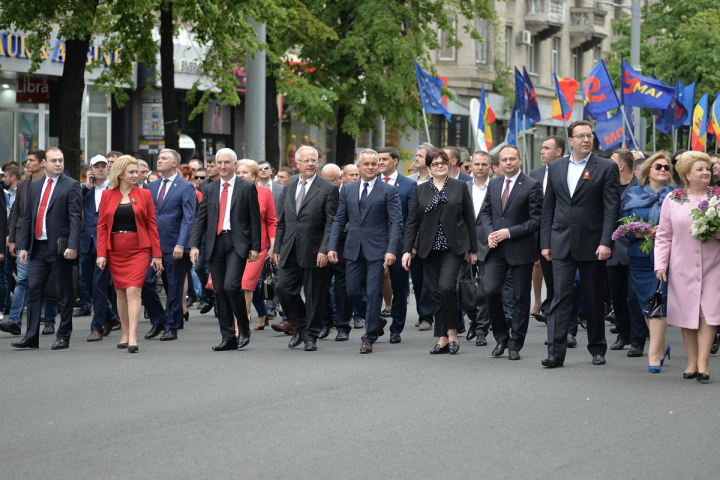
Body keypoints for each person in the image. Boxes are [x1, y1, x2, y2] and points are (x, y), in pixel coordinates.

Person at [540, 120, 621, 368]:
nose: (586, 139)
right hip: (561, 242)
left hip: (593, 244)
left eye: (590, 135)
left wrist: (606, 241)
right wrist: (546, 242)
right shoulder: (555, 167)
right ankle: (556, 352)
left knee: (594, 298)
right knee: (559, 298)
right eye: (581, 136)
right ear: (571, 140)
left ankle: (597, 347)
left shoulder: (606, 167)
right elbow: (548, 208)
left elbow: (611, 209)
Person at [402, 149, 477, 355]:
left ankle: (453, 332)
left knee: (446, 288)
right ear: (429, 168)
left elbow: (470, 219)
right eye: (435, 164)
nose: (440, 166)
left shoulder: (460, 186)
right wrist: (407, 249)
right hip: (430, 249)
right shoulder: (421, 190)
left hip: (454, 247)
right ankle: (442, 337)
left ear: (448, 164)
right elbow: (412, 223)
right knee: (435, 293)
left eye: (443, 162)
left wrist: (473, 249)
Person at [328, 149, 402, 353]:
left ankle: (369, 337)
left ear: (378, 166)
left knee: (373, 291)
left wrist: (392, 249)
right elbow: (339, 219)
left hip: (378, 250)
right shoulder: (348, 190)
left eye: (373, 164)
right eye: (365, 164)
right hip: (352, 249)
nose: (370, 167)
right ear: (358, 166)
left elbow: (396, 222)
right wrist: (332, 246)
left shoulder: (388, 191)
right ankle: (375, 319)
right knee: (351, 291)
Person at [655, 151, 720, 383]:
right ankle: (691, 361)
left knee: (709, 313)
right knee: (687, 313)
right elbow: (664, 235)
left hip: (715, 265)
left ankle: (703, 363)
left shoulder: (718, 196)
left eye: (708, 168)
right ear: (686, 174)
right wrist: (660, 265)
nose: (706, 172)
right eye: (700, 169)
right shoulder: (673, 199)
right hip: (682, 265)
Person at [191, 148, 261, 351]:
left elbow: (254, 220)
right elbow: (200, 219)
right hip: (215, 243)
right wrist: (194, 244)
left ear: (234, 165)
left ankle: (244, 328)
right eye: (219, 162)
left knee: (232, 286)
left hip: (237, 243)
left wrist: (255, 247)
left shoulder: (246, 187)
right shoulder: (209, 189)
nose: (222, 166)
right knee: (219, 291)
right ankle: (228, 337)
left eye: (226, 163)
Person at [12, 147, 81, 350]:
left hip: (60, 249)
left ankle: (63, 336)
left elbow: (76, 218)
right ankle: (31, 337)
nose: (58, 164)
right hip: (38, 248)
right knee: (33, 290)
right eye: (54, 161)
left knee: (64, 293)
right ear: (45, 164)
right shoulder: (35, 186)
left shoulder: (72, 185)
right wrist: (24, 246)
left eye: (60, 160)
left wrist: (73, 245)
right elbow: (28, 219)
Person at [274, 146, 339, 351]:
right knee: (283, 289)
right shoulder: (289, 187)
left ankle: (311, 336)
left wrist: (324, 249)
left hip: (315, 251)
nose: (311, 163)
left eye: (314, 160)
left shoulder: (327, 188)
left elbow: (332, 223)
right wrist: (276, 247)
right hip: (289, 249)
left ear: (318, 162)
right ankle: (301, 327)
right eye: (306, 160)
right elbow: (282, 222)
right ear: (297, 164)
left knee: (314, 296)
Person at [481, 145, 542, 361]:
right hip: (495, 248)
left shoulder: (532, 185)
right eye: (504, 159)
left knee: (520, 298)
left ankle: (515, 344)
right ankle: (501, 338)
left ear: (519, 160)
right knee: (490, 291)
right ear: (499, 162)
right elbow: (486, 213)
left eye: (512, 159)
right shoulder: (494, 183)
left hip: (520, 248)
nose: (508, 163)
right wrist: (489, 233)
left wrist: (508, 232)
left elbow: (536, 221)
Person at [96, 156, 162, 352]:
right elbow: (101, 227)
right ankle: (124, 332)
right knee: (120, 292)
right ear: (120, 174)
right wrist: (101, 254)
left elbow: (152, 225)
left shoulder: (144, 194)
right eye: (131, 172)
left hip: (139, 249)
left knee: (134, 290)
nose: (136, 175)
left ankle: (133, 336)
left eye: (137, 172)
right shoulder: (107, 195)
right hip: (115, 249)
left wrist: (156, 255)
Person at [621, 151, 675, 372]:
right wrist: (640, 232)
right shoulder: (634, 193)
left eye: (666, 167)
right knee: (646, 303)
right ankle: (662, 344)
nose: (663, 170)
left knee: (659, 300)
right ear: (648, 171)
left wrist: (666, 230)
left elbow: (684, 224)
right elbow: (623, 224)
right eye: (658, 167)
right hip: (640, 256)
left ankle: (654, 352)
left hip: (668, 257)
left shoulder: (676, 194)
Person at [141, 149, 197, 341]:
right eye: (158, 158)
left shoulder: (185, 187)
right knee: (146, 282)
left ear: (174, 163)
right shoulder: (151, 186)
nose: (159, 160)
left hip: (174, 245)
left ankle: (172, 326)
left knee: (173, 287)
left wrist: (182, 244)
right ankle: (158, 320)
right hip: (153, 246)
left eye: (164, 158)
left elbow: (188, 219)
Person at [0, 150, 57, 336]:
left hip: (46, 239)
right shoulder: (23, 185)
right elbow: (16, 213)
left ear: (42, 163)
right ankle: (15, 321)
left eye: (31, 160)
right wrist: (12, 239)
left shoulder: (52, 184)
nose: (27, 164)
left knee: (48, 280)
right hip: (25, 240)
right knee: (23, 280)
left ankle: (49, 321)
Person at [607, 148, 646, 356]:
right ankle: (623, 334)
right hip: (612, 251)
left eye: (611, 161)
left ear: (620, 165)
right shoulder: (608, 186)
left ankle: (637, 340)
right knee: (617, 296)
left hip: (635, 249)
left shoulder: (640, 188)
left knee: (634, 296)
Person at [377, 146, 417, 343]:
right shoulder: (370, 183)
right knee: (369, 285)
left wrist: (411, 245)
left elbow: (412, 219)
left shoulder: (409, 185)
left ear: (395, 161)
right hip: (374, 243)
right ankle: (374, 322)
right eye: (379, 159)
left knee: (399, 286)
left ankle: (396, 328)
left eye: (385, 159)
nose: (381, 162)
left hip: (400, 244)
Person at [82, 155, 120, 341]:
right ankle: (111, 317)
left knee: (99, 284)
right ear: (90, 169)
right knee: (87, 283)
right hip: (86, 241)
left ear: (108, 168)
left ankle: (96, 327)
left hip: (105, 242)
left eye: (103, 166)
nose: (100, 169)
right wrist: (85, 188)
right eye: (96, 166)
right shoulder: (84, 189)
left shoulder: (114, 188)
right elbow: (73, 207)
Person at [235, 159, 276, 331]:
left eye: (244, 173)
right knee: (246, 284)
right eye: (238, 173)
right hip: (236, 245)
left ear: (254, 175)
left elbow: (272, 221)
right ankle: (263, 313)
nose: (240, 176)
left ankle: (241, 326)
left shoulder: (264, 193)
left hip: (259, 246)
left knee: (246, 283)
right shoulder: (232, 192)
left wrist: (273, 248)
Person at [528, 136, 565, 324]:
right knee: (547, 274)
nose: (541, 151)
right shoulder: (535, 174)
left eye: (546, 148)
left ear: (558, 152)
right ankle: (548, 307)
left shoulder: (568, 171)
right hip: (541, 233)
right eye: (541, 148)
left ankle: (566, 318)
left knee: (563, 277)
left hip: (563, 232)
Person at [406, 143, 435, 331]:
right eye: (415, 155)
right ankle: (421, 311)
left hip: (433, 236)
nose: (416, 158)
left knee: (427, 279)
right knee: (416, 279)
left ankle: (427, 316)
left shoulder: (440, 179)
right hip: (414, 235)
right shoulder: (409, 181)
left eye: (420, 156)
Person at [465, 151, 490, 346]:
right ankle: (474, 320)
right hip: (463, 245)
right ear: (471, 166)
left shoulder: (497, 186)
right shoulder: (462, 187)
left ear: (490, 166)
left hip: (488, 246)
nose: (480, 167)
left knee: (485, 289)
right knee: (460, 288)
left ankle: (482, 328)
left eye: (484, 164)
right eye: (477, 164)